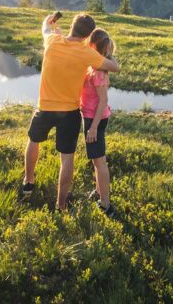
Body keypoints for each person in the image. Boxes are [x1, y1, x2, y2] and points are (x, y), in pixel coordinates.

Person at [21, 12, 120, 211]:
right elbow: (114, 67)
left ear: (72, 26)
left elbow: (45, 27)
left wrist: (49, 20)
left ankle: (28, 182)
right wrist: (105, 53)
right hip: (70, 113)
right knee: (67, 159)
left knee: (33, 141)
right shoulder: (87, 54)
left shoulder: (52, 40)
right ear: (88, 35)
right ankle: (61, 205)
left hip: (45, 107)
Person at [80, 29, 116, 217]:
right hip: (92, 117)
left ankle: (106, 205)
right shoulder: (95, 67)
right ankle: (99, 191)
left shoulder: (98, 72)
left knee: (100, 161)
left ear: (93, 46)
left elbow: (103, 101)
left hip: (95, 119)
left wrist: (93, 127)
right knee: (96, 159)